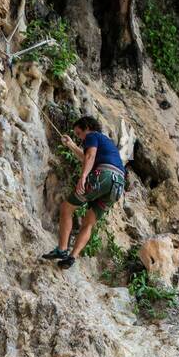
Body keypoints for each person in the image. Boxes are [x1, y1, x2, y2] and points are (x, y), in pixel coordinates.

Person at [41, 115, 126, 270]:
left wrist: (84, 176)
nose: (80, 137)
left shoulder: (92, 135)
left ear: (87, 127)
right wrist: (72, 145)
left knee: (67, 208)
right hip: (118, 184)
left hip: (103, 176)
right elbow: (88, 157)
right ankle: (72, 257)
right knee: (89, 222)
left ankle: (61, 249)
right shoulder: (106, 143)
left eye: (79, 134)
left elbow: (90, 155)